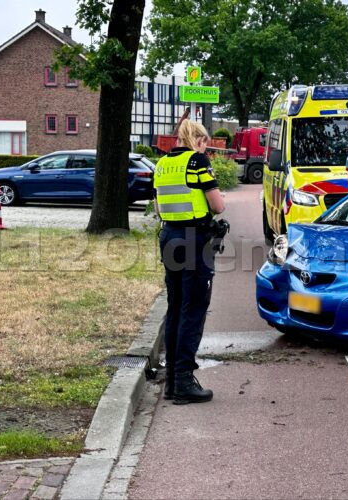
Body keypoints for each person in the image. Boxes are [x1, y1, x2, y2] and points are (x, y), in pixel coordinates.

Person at [154, 120, 225, 405]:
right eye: (204, 141)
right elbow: (218, 205)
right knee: (193, 308)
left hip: (170, 235)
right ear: (196, 139)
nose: (206, 146)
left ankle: (172, 379)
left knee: (176, 306)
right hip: (195, 239)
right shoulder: (197, 161)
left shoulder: (161, 165)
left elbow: (159, 207)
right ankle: (184, 380)